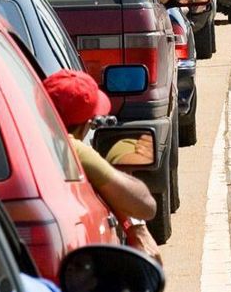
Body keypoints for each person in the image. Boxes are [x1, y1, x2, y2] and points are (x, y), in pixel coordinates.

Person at [43, 72, 161, 258]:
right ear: (86, 124)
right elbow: (145, 205)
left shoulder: (18, 142)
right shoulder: (72, 149)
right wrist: (136, 226)